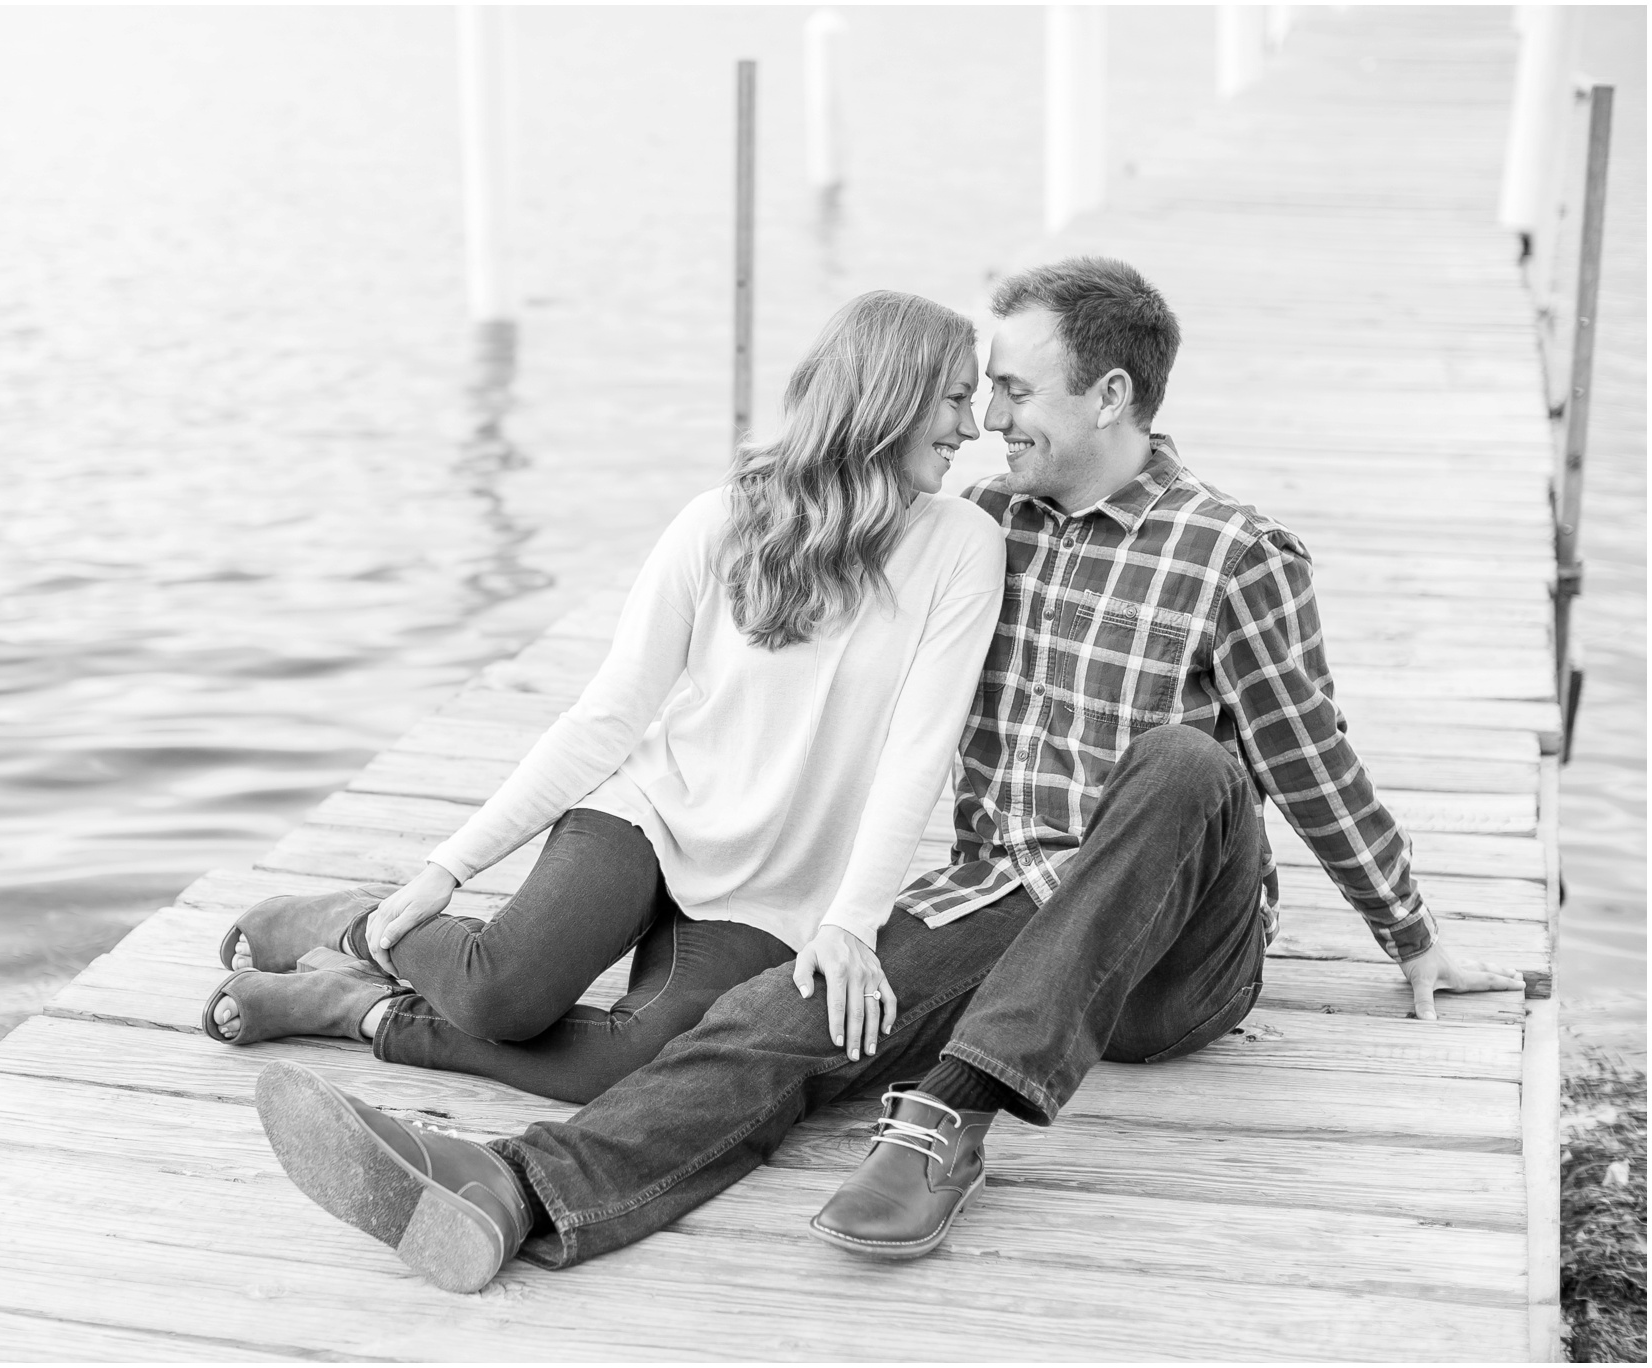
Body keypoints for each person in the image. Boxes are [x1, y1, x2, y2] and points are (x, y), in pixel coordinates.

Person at [245, 257, 1524, 1293]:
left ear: (1112, 396)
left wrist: (1409, 933)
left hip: (1172, 956)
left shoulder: (1232, 551)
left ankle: (945, 1116)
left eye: (1012, 392)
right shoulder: (987, 527)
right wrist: (844, 928)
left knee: (1185, 761)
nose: (986, 421)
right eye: (974, 397)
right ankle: (515, 1189)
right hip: (1002, 904)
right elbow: (845, 606)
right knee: (772, 1017)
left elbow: (1306, 752)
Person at [202, 288, 1007, 1109]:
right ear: (888, 397)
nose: (971, 429)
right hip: (650, 816)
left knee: (641, 1068)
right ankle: (353, 922)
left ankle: (354, 1004)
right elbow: (608, 715)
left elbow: (919, 755)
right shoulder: (721, 522)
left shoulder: (962, 548)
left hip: (775, 888)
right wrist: (449, 867)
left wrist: (852, 923)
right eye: (954, 399)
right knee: (500, 996)